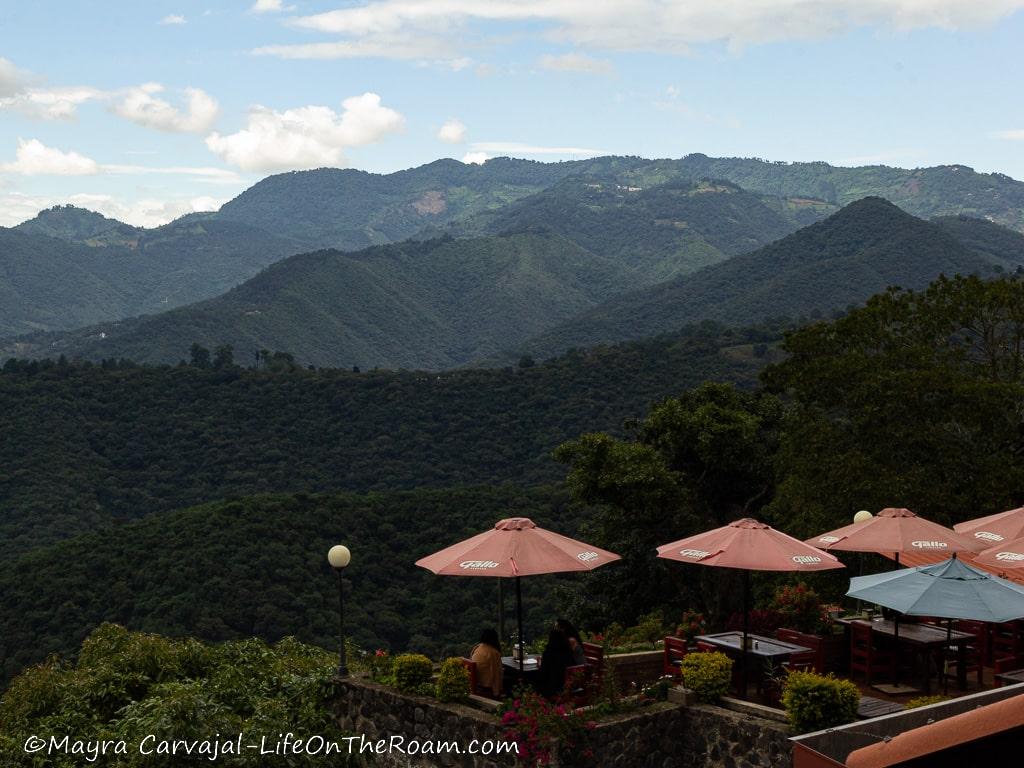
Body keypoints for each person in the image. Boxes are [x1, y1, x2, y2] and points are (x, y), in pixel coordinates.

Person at [537, 627, 575, 698]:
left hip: (553, 689)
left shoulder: (548, 653)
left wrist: (539, 663)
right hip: (567, 686)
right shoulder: (568, 651)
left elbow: (543, 673)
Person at [470, 628, 503, 698]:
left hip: (477, 683)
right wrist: (497, 694)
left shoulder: (477, 648)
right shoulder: (493, 653)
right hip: (486, 686)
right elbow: (496, 675)